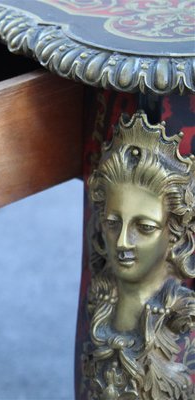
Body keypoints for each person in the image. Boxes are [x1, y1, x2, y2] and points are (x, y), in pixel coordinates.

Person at [82, 112, 195, 400]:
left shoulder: (181, 313)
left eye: (144, 228)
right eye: (112, 224)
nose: (122, 243)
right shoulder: (103, 297)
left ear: (174, 234)